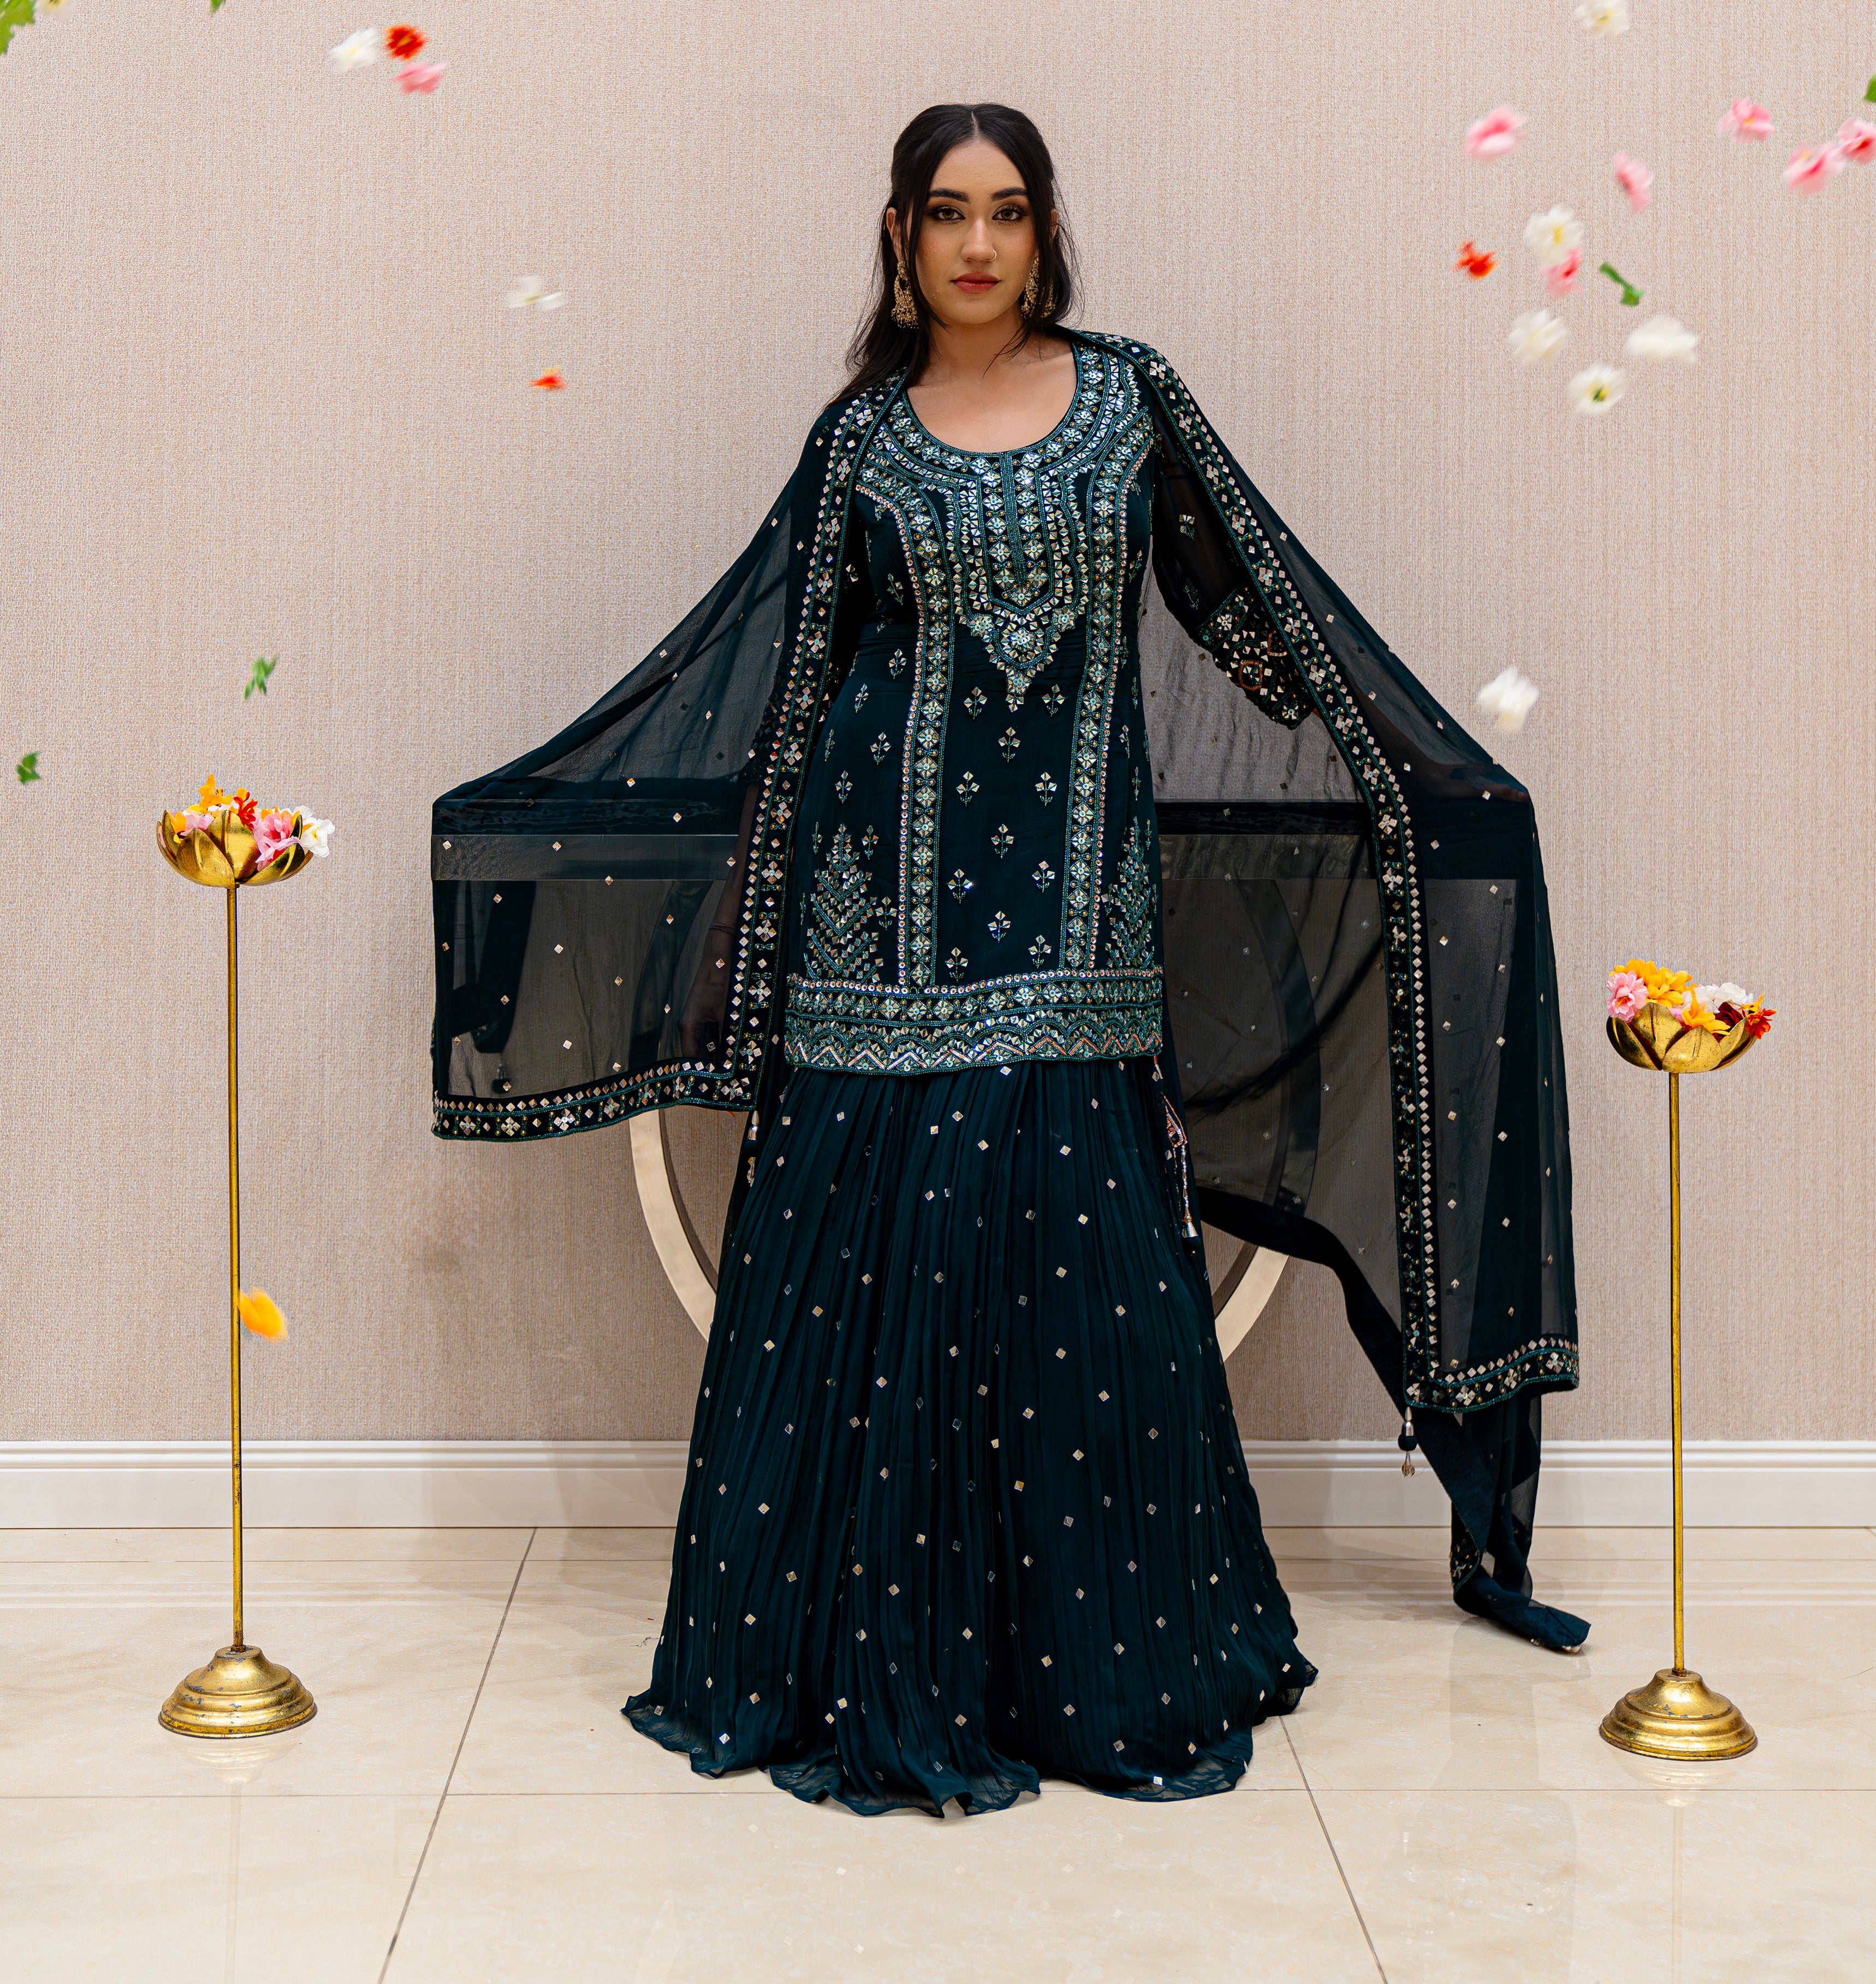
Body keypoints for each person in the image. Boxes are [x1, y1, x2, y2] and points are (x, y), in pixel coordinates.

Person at [430, 102, 1584, 1821]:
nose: (980, 244)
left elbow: (1242, 605)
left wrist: (1397, 757)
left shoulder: (1132, 397)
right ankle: (841, 1653)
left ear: (1047, 234)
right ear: (898, 237)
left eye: (1011, 212)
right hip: (872, 924)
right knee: (872, 1267)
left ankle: (1097, 1662)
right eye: (948, 213)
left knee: (1076, 1253)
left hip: (1071, 921)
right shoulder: (862, 444)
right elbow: (781, 672)